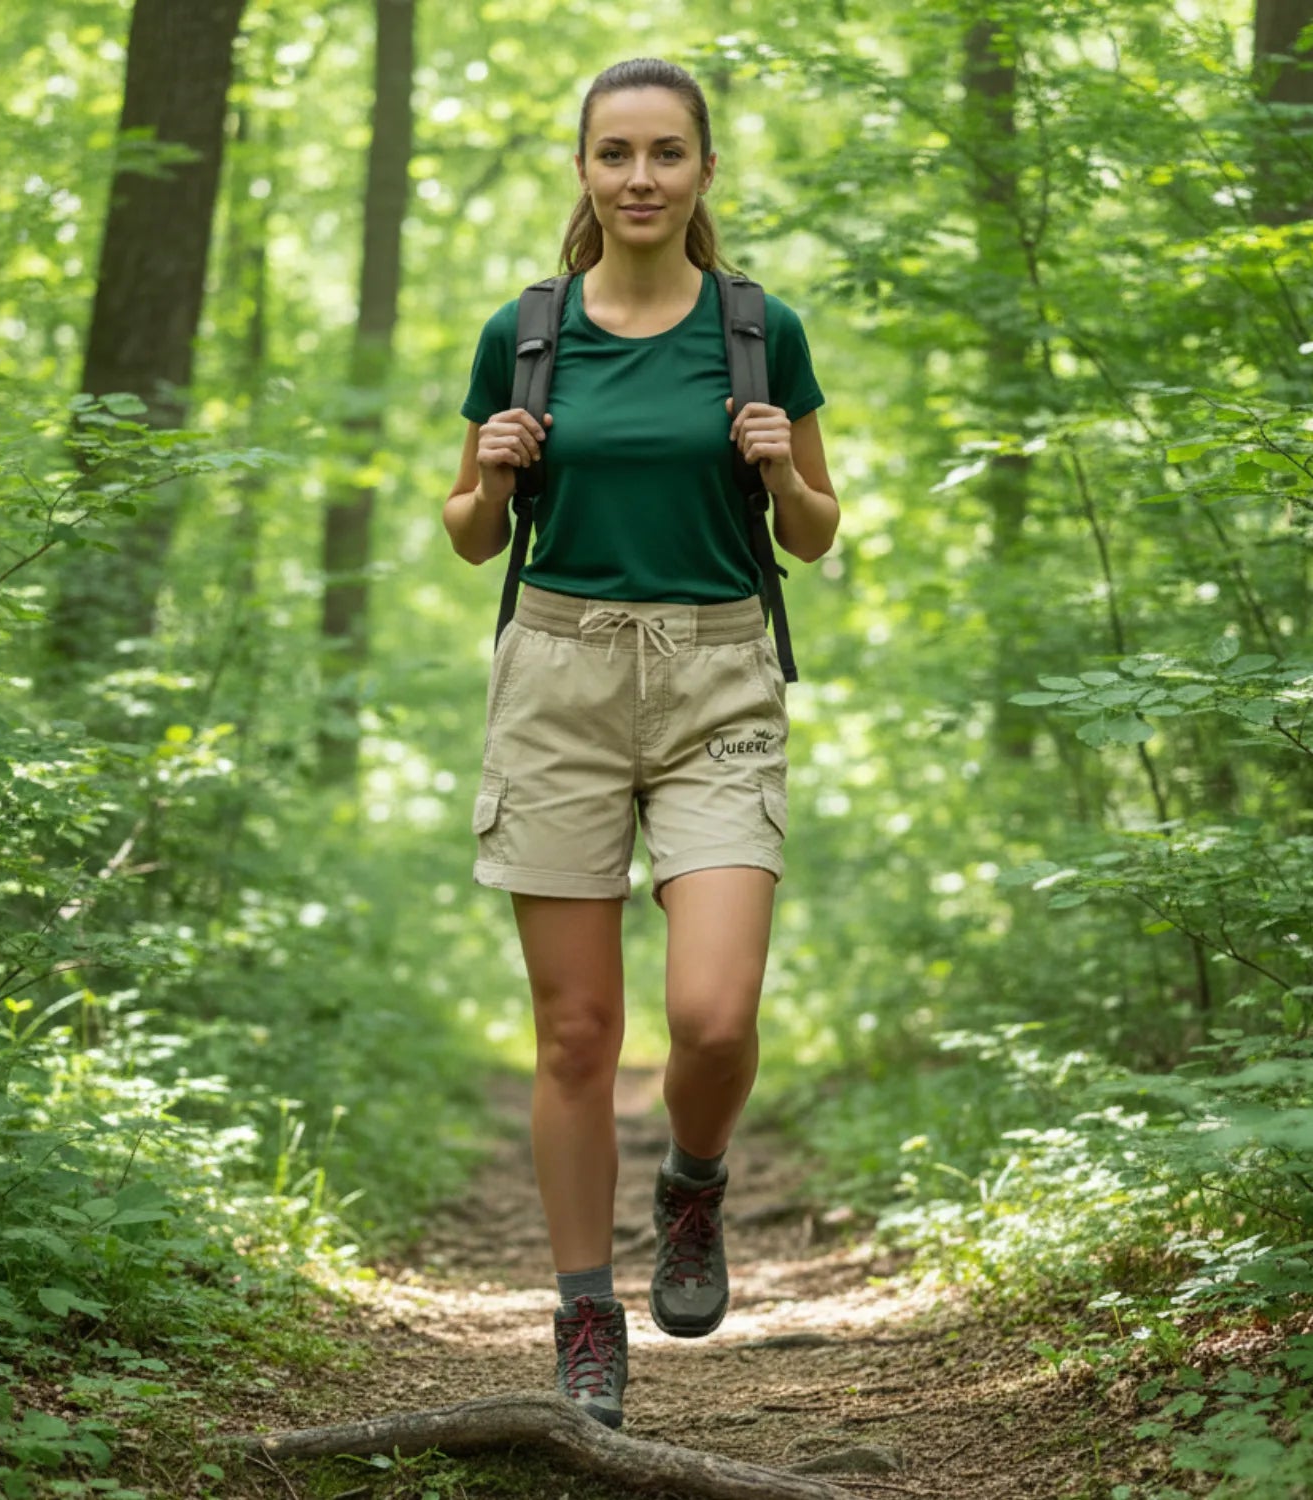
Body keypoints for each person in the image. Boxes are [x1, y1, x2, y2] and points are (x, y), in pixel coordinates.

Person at [442, 56, 838, 1430]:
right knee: (574, 1034)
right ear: (584, 171)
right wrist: (487, 472)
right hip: (557, 674)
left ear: (705, 173)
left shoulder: (757, 326)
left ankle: (692, 1185)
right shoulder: (528, 328)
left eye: (668, 153)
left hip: (722, 673)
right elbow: (470, 531)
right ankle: (584, 1316)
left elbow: (816, 531)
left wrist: (783, 467)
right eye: (616, 154)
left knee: (714, 1019)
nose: (642, 178)